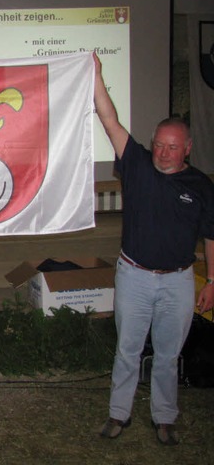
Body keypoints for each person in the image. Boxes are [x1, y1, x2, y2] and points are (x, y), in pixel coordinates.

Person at [93, 53, 214, 445]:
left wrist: (212, 280)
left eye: (172, 147)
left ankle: (164, 417)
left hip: (178, 282)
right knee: (127, 350)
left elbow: (211, 235)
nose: (163, 152)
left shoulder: (200, 186)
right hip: (134, 277)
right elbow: (109, 120)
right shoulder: (138, 166)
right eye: (159, 144)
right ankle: (118, 415)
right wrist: (96, 76)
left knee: (168, 354)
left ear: (188, 149)